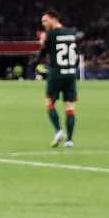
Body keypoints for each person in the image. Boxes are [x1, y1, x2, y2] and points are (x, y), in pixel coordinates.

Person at [37, 10, 80, 147]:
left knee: (49, 102)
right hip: (70, 74)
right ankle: (70, 141)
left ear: (54, 19)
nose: (43, 23)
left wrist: (42, 41)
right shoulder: (71, 33)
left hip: (56, 73)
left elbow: (42, 54)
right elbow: (77, 56)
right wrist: (73, 69)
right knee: (70, 108)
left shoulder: (50, 35)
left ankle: (58, 131)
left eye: (45, 20)